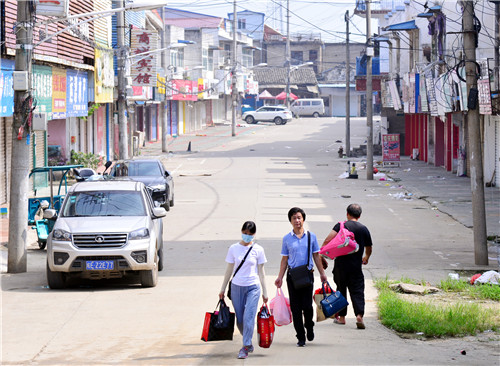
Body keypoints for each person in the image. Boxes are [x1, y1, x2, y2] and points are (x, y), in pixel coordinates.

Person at [275, 207, 327, 347]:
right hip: (292, 277)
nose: (297, 220)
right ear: (290, 221)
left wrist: (322, 273)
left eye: (299, 217)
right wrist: (279, 277)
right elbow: (284, 259)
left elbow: (316, 256)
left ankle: (309, 326)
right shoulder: (287, 238)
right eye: (294, 218)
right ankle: (300, 337)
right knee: (296, 308)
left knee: (307, 307)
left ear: (303, 219)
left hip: (307, 276)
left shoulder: (311, 236)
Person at [219, 221, 268, 359]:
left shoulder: (258, 250)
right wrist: (222, 288)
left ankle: (245, 346)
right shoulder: (234, 248)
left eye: (250, 234)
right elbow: (229, 269)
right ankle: (248, 340)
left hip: (253, 287)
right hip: (236, 287)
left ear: (254, 234)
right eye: (245, 233)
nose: (247, 236)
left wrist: (265, 291)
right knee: (240, 320)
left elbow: (261, 272)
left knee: (248, 318)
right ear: (241, 232)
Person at [321, 203, 373, 329]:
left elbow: (328, 240)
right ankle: (359, 315)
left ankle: (342, 318)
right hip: (356, 267)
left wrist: (322, 254)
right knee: (357, 290)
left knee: (341, 289)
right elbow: (369, 247)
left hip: (340, 266)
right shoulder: (363, 228)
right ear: (359, 216)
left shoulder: (341, 225)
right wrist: (366, 257)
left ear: (347, 214)